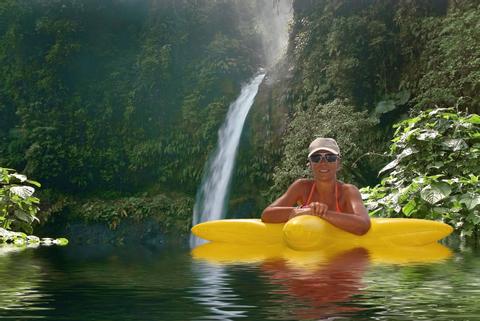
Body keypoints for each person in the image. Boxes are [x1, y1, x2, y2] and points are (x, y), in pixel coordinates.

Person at [261, 137, 371, 235]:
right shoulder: (301, 187)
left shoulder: (348, 191)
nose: (323, 162)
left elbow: (363, 225)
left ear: (338, 164)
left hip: (342, 251)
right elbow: (267, 214)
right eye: (316, 158)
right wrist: (302, 211)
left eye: (330, 157)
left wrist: (321, 213)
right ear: (310, 164)